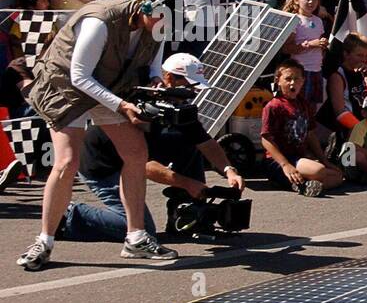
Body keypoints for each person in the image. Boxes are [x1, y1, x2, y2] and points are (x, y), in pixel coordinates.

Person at [17, 0, 184, 271]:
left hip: (107, 85)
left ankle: (135, 238)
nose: (166, 26)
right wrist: (121, 106)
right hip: (65, 86)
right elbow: (79, 75)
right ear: (147, 8)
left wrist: (157, 88)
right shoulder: (101, 21)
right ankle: (44, 241)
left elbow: (154, 69)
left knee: (135, 152)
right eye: (164, 19)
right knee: (67, 161)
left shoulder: (159, 28)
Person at [61, 52, 245, 242]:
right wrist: (187, 183)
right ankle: (67, 216)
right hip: (103, 166)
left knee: (188, 146)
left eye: (195, 87)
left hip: (131, 160)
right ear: (169, 78)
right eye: (189, 86)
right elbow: (144, 165)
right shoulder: (142, 105)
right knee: (141, 228)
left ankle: (186, 216)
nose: (192, 92)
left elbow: (205, 142)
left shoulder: (180, 108)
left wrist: (229, 171)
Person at [260, 59, 344, 197]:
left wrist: (324, 159)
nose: (292, 83)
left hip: (298, 158)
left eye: (296, 79)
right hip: (277, 161)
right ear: (278, 80)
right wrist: (285, 164)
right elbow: (266, 139)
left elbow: (310, 134)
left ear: (303, 81)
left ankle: (303, 184)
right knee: (319, 171)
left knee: (338, 176)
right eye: (288, 79)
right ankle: (285, 177)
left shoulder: (304, 104)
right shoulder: (274, 106)